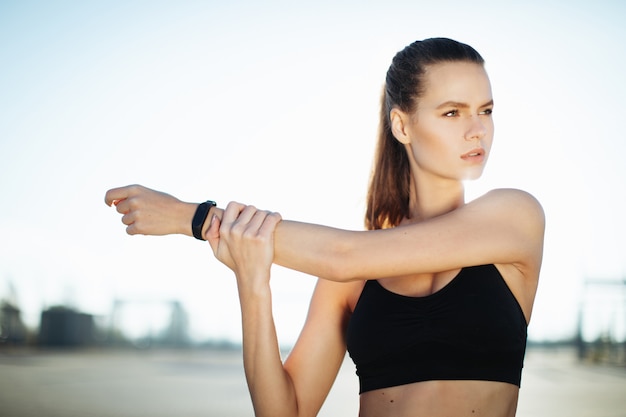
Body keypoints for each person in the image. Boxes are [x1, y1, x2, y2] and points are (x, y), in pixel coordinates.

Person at [105, 37, 545, 417]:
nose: (477, 131)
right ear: (402, 125)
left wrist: (193, 218)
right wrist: (253, 281)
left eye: (485, 111)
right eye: (452, 113)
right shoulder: (349, 279)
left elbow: (341, 255)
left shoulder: (514, 217)